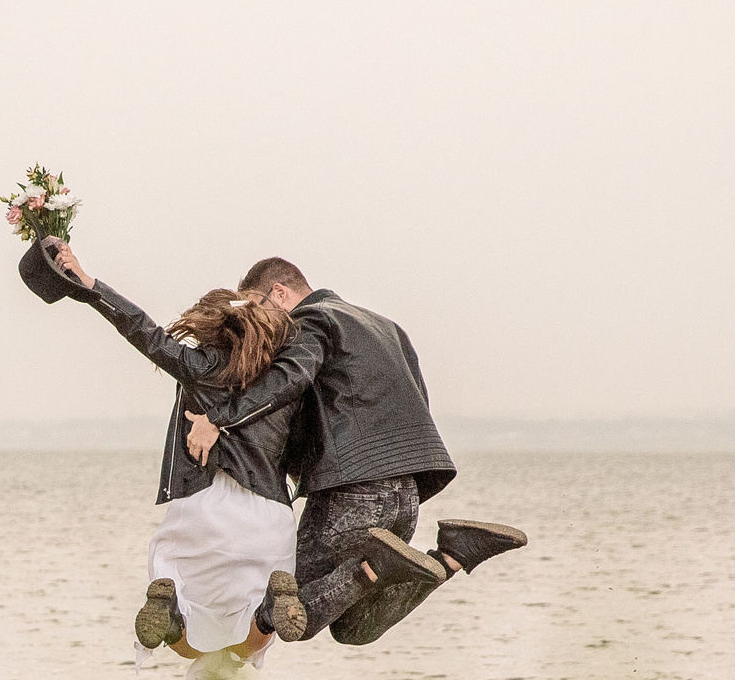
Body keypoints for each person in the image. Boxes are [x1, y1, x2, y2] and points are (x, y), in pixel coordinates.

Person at [184, 257, 526, 646]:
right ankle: (453, 554)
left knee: (290, 606)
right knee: (353, 628)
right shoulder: (385, 326)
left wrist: (219, 420)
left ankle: (377, 564)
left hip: (353, 492)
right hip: (407, 494)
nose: (258, 321)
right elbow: (418, 400)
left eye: (257, 306)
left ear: (278, 293)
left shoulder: (308, 321)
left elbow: (289, 381)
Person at [39, 239, 302, 678]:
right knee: (259, 629)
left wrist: (88, 284)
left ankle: (172, 609)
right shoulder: (283, 379)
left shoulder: (196, 364)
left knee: (180, 596)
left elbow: (142, 329)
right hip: (267, 513)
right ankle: (270, 609)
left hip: (200, 509)